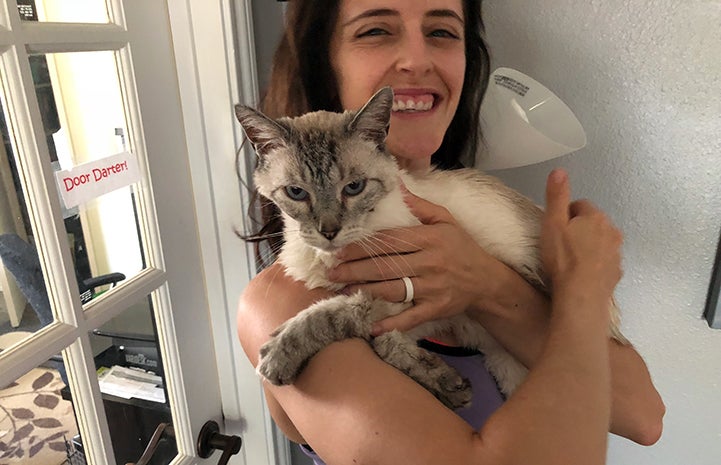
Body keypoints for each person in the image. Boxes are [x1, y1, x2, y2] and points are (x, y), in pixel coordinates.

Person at [237, 1, 665, 464]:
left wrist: (487, 286)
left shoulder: (476, 229)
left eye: (442, 31)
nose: (418, 60)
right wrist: (583, 290)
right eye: (376, 30)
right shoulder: (283, 303)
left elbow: (643, 417)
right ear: (323, 58)